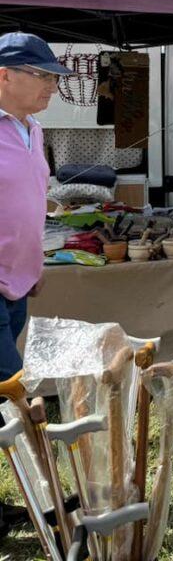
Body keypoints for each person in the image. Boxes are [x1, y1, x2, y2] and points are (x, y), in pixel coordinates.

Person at [0, 32, 72, 535]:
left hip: (17, 285)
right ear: (4, 75)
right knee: (14, 393)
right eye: (42, 76)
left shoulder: (33, 129)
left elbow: (29, 201)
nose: (52, 86)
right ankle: (48, 501)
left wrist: (35, 262)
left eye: (54, 77)